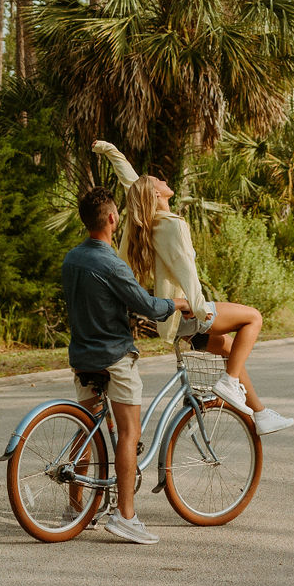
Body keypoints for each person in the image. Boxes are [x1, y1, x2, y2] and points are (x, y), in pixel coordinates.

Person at [93, 139, 294, 437]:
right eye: (158, 180)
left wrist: (110, 151)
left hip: (172, 319)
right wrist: (203, 312)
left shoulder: (147, 220)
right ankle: (225, 386)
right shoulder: (173, 225)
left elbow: (130, 181)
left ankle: (260, 414)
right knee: (253, 318)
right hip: (187, 311)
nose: (163, 179)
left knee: (228, 349)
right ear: (158, 194)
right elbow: (188, 274)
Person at [62, 185, 192, 545]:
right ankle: (126, 516)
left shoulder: (72, 259)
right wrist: (179, 304)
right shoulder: (110, 262)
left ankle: (75, 509)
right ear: (112, 218)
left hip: (82, 356)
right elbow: (147, 306)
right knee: (128, 433)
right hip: (114, 356)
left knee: (83, 429)